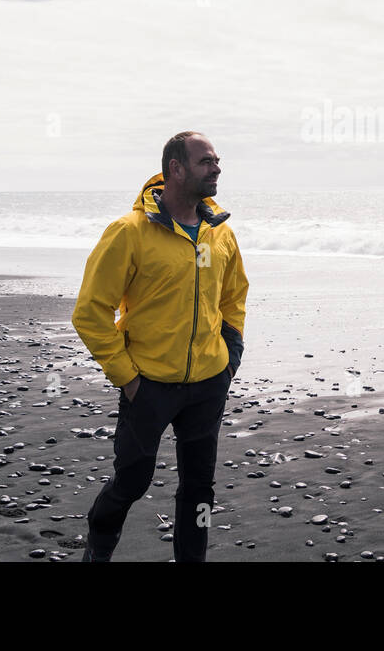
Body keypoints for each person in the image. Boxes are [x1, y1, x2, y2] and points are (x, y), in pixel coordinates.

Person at [71, 131, 249, 561]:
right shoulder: (129, 233)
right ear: (176, 168)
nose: (217, 167)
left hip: (208, 384)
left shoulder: (218, 233)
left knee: (200, 491)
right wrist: (128, 379)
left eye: (217, 160)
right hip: (148, 385)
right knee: (131, 481)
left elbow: (234, 295)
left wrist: (231, 354)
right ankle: (99, 543)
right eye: (206, 161)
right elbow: (91, 312)